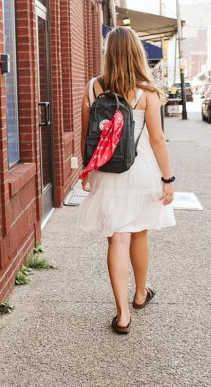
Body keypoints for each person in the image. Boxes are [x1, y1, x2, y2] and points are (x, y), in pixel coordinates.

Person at [75, 26, 176, 335]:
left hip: (107, 170)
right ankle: (141, 293)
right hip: (141, 170)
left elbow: (86, 134)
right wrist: (168, 178)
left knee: (117, 237)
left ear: (109, 53)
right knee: (139, 232)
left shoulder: (93, 87)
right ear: (136, 53)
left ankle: (122, 315)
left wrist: (87, 170)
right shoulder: (147, 92)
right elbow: (158, 139)